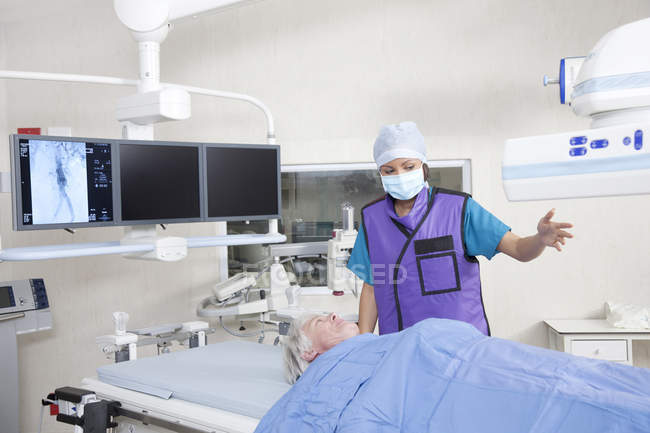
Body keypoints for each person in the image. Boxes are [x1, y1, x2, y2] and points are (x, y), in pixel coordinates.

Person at [347, 121, 574, 335]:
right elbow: (372, 286)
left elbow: (518, 249)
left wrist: (539, 239)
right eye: (389, 170)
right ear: (380, 174)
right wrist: (363, 344)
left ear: (423, 167)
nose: (400, 175)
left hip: (461, 348)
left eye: (408, 166)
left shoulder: (458, 209)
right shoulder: (373, 218)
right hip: (400, 348)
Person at [260, 314, 650, 433]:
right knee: (580, 405)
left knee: (573, 375)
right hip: (457, 391)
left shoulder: (379, 343)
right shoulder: (321, 378)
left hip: (472, 353)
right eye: (318, 321)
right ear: (309, 352)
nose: (332, 314)